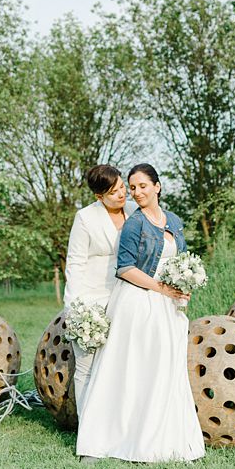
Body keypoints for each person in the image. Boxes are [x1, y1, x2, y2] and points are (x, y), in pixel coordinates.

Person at [75, 163, 205, 463]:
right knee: (134, 370)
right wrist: (162, 288)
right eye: (132, 187)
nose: (136, 192)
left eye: (142, 186)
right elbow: (125, 268)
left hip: (169, 305)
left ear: (157, 186)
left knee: (167, 371)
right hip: (139, 301)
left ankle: (167, 439)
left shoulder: (174, 220)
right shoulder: (134, 223)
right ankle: (107, 441)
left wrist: (184, 284)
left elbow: (180, 259)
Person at [63, 164, 135, 416]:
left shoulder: (135, 211)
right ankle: (87, 427)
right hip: (91, 301)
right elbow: (75, 263)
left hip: (127, 298)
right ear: (99, 196)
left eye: (122, 187)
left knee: (121, 365)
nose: (121, 194)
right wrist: (75, 309)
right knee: (86, 368)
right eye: (113, 192)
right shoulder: (85, 218)